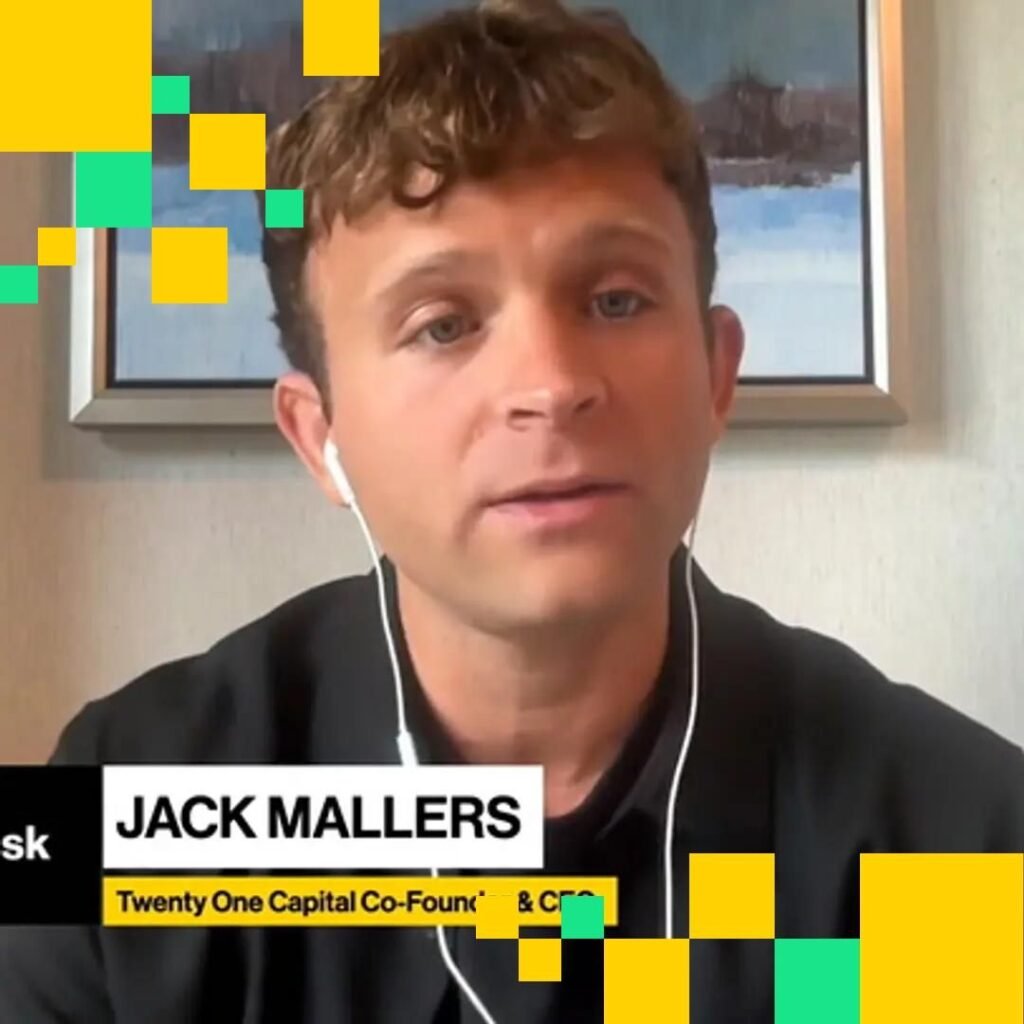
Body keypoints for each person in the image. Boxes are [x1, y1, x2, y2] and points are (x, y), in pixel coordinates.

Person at [1, 1, 1021, 1021]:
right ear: (322, 437)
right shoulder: (122, 802)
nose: (551, 384)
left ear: (717, 377)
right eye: (443, 324)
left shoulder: (948, 838)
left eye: (615, 300)